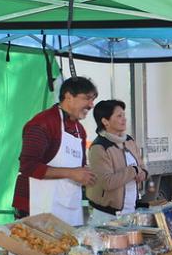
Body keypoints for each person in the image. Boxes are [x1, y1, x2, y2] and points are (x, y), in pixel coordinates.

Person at [12, 76, 97, 225]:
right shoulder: (42, 123)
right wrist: (71, 173)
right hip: (36, 207)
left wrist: (85, 174)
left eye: (93, 99)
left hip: (68, 207)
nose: (91, 105)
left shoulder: (80, 130)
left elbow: (79, 167)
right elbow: (28, 166)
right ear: (68, 97)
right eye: (87, 98)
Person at [86, 100, 148, 225]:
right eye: (119, 116)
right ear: (105, 121)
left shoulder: (129, 140)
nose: (124, 119)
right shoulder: (99, 147)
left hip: (131, 210)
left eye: (124, 115)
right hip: (107, 216)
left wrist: (143, 174)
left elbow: (142, 167)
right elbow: (107, 182)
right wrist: (133, 171)